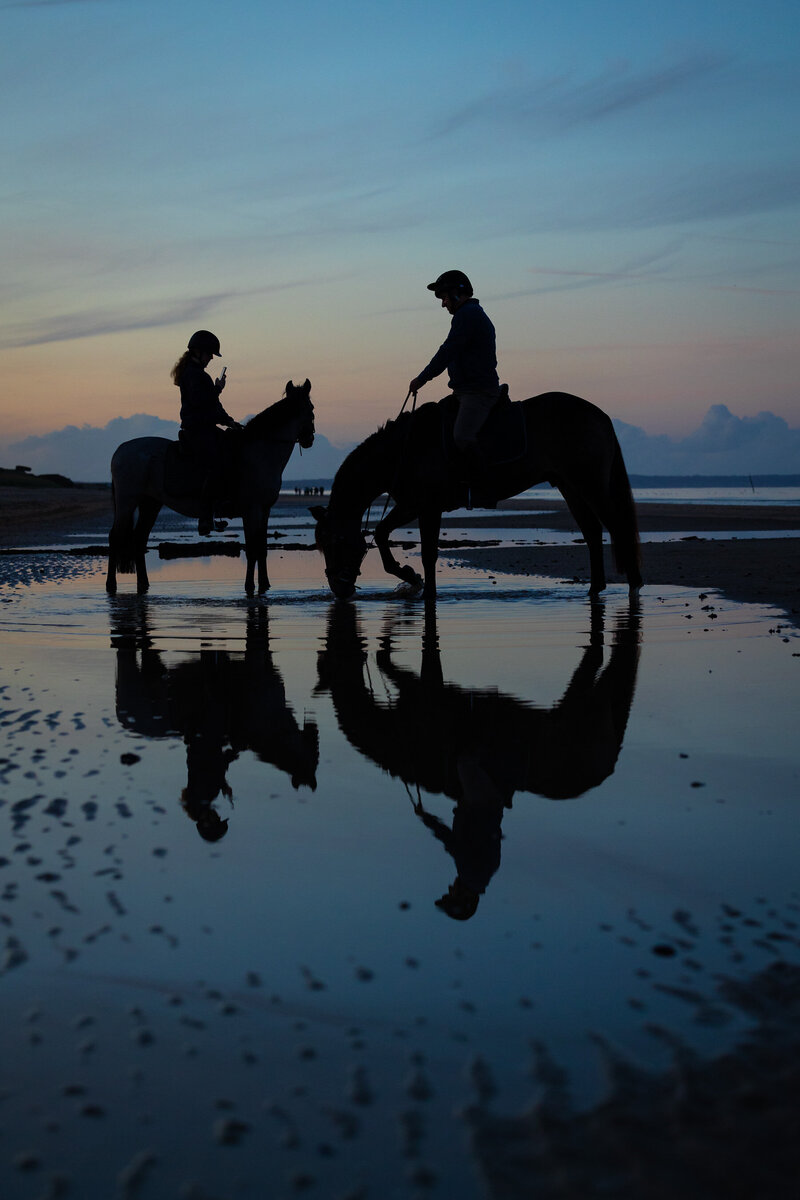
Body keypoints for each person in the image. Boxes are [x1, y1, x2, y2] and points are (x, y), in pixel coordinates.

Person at [408, 270, 501, 500]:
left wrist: (422, 378)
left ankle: (484, 488)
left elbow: (448, 351)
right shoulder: (467, 315)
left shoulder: (468, 315)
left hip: (478, 392)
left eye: (444, 297)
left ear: (457, 294)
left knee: (462, 436)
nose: (443, 304)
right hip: (463, 392)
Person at [172, 330, 240, 535]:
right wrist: (218, 389)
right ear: (198, 352)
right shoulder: (195, 375)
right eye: (210, 354)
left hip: (204, 428)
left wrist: (228, 421)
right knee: (218, 464)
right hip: (198, 431)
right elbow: (202, 402)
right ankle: (205, 517)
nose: (211, 358)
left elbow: (213, 406)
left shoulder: (197, 374)